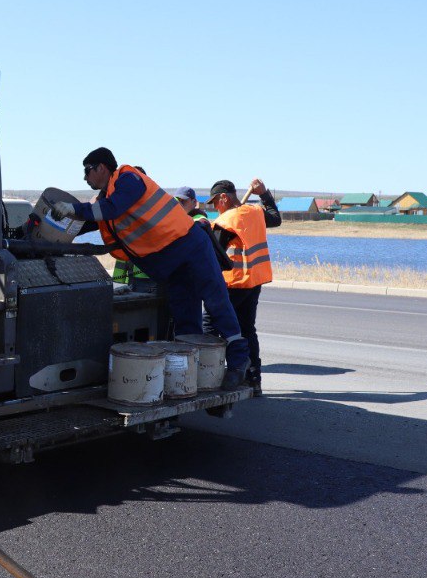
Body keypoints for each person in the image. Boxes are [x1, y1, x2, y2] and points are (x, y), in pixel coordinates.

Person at [51, 148, 250, 389]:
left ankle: (239, 363)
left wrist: (75, 209)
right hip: (170, 263)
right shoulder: (106, 200)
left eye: (87, 171)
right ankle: (192, 376)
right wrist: (50, 232)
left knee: (217, 302)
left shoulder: (127, 178)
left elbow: (112, 208)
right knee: (185, 318)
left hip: (190, 246)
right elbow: (90, 221)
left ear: (101, 167)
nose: (85, 178)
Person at [206, 179, 281, 396]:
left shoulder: (225, 221)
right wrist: (264, 194)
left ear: (224, 198)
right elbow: (275, 218)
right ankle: (254, 379)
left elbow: (213, 258)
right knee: (247, 328)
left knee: (210, 323)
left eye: (214, 203)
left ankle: (209, 374)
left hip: (233, 283)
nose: (213, 208)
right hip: (253, 282)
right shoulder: (255, 212)